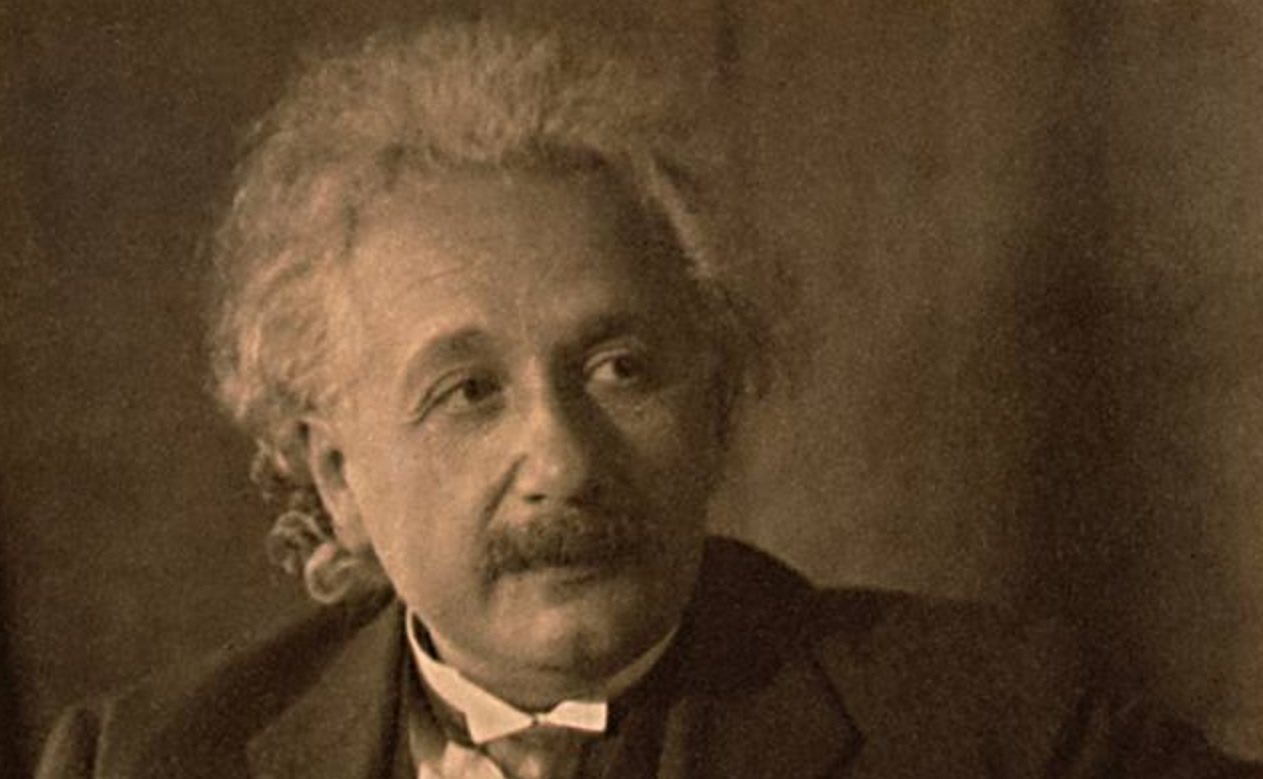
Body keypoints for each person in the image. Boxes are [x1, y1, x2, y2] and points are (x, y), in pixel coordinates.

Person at [34, 16, 1261, 779]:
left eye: (620, 367)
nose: (562, 458)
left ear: (715, 405)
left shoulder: (1002, 727)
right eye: (467, 391)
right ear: (339, 477)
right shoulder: (142, 761)